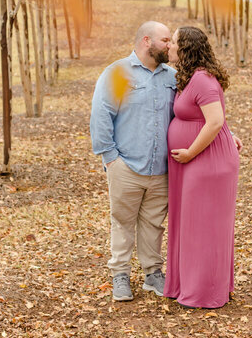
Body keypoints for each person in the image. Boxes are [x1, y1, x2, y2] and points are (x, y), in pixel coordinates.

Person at [90, 21, 176, 301]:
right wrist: (111, 158)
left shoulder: (172, 77)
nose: (170, 45)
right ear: (147, 41)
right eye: (165, 40)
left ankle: (153, 274)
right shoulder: (117, 73)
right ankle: (120, 276)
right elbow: (101, 114)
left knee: (154, 224)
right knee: (123, 222)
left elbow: (195, 111)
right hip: (125, 165)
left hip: (161, 169)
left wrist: (227, 133)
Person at [164, 26, 240, 309]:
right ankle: (186, 283)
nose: (169, 46)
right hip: (193, 160)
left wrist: (191, 152)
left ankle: (205, 292)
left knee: (203, 226)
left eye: (173, 42)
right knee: (190, 224)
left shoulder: (203, 80)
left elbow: (215, 121)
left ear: (185, 49)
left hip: (206, 162)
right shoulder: (188, 78)